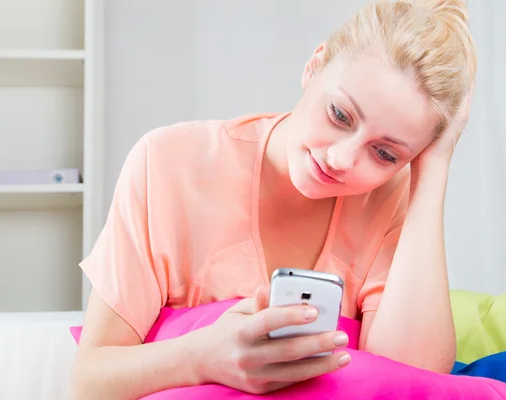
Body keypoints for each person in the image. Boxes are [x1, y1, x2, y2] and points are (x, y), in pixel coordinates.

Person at [71, 0, 477, 398]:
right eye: (339, 115)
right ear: (314, 64)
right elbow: (88, 382)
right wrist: (202, 357)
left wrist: (434, 167)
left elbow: (413, 379)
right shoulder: (168, 161)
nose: (340, 159)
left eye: (385, 153)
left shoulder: (389, 200)